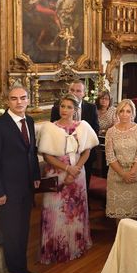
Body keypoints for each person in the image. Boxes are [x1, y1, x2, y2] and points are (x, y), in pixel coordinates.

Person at [0, 85, 41, 273]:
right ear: (8, 101)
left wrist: (35, 176)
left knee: (23, 228)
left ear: (28, 99)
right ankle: (17, 270)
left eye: (23, 98)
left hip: (26, 187)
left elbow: (31, 152)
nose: (19, 102)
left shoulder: (30, 121)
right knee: (12, 230)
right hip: (7, 190)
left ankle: (20, 266)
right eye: (14, 99)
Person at [38, 93, 99, 263]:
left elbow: (87, 151)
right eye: (62, 106)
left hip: (78, 175)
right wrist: (67, 169)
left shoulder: (83, 126)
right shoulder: (49, 127)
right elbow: (47, 156)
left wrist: (76, 170)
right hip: (57, 174)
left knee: (75, 211)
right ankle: (56, 250)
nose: (64, 110)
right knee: (56, 211)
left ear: (75, 109)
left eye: (69, 107)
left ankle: (76, 246)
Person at [50, 80, 100, 194]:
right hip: (63, 156)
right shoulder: (58, 107)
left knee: (83, 185)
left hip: (84, 154)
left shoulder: (91, 108)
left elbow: (95, 129)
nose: (74, 93)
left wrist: (82, 145)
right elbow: (53, 132)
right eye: (72, 90)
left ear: (83, 93)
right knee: (62, 189)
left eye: (78, 91)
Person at [104, 99, 137, 220]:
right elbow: (110, 156)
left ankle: (133, 239)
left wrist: (131, 173)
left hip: (135, 175)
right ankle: (121, 238)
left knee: (134, 215)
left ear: (132, 114)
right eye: (122, 111)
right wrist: (123, 174)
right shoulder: (111, 132)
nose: (124, 114)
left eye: (128, 111)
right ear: (117, 112)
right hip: (116, 176)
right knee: (119, 215)